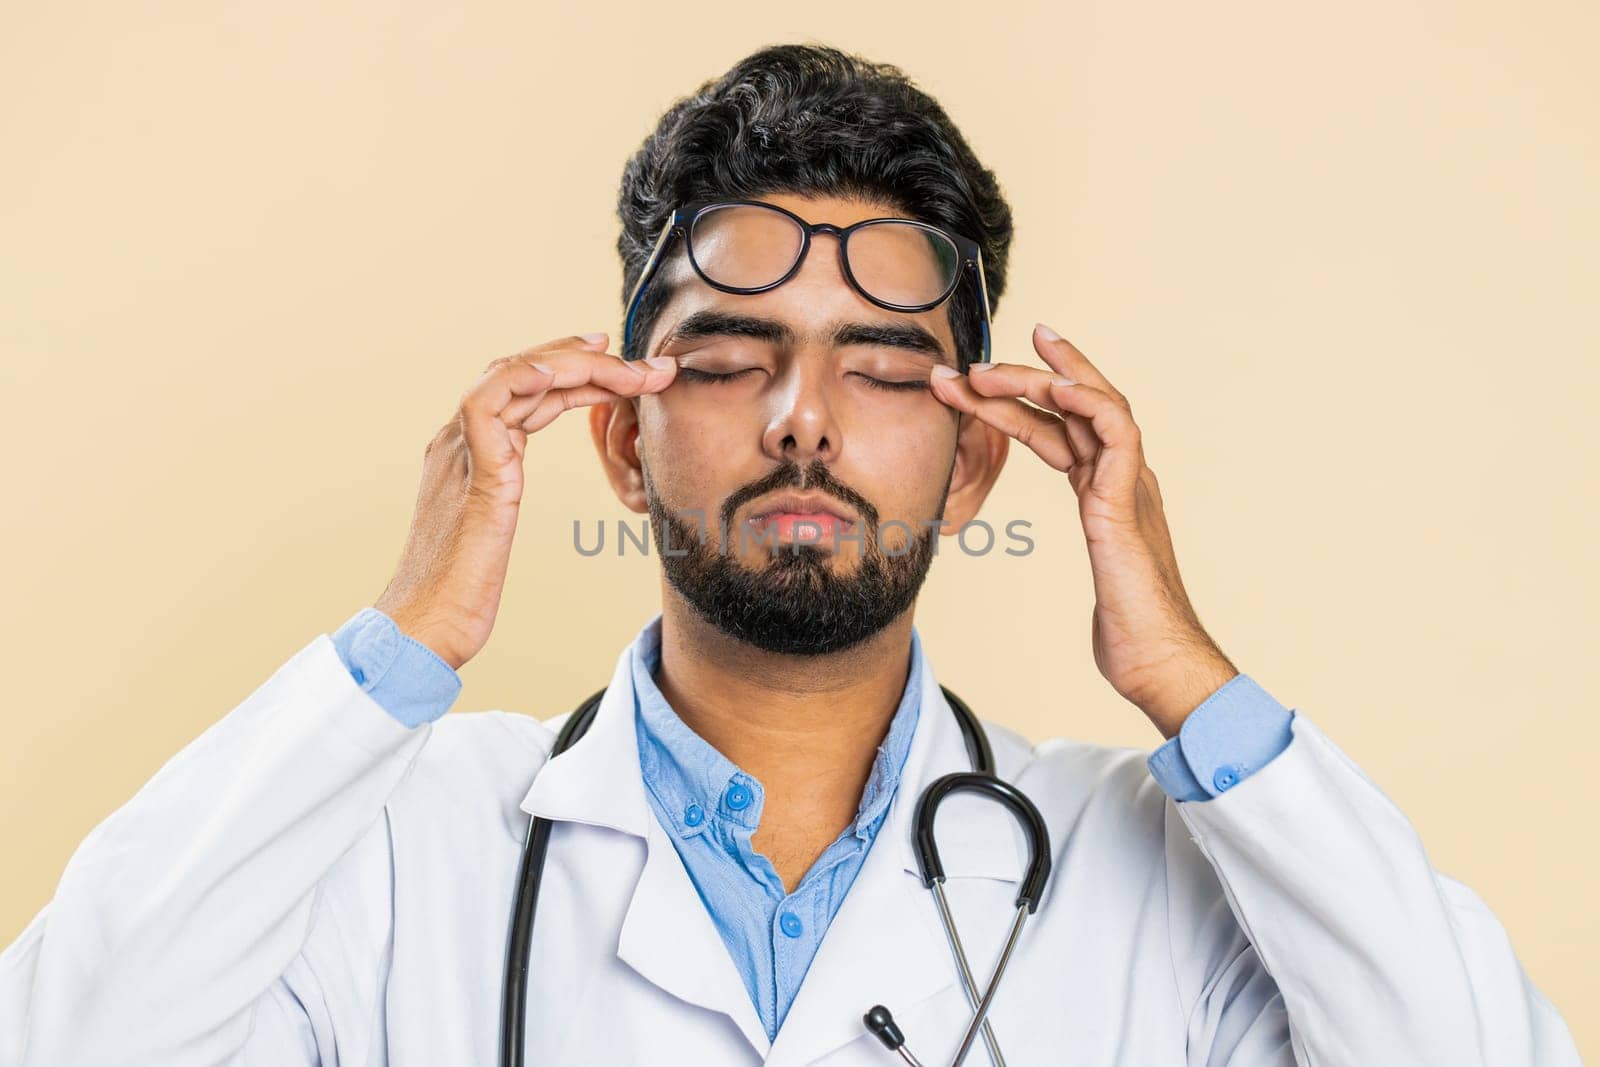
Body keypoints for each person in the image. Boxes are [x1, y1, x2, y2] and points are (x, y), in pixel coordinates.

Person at [0, 42, 1581, 1067]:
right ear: (620, 438)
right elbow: (73, 1042)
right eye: (728, 357)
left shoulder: (1137, 862)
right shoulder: (403, 847)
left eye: (886, 369)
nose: (805, 423)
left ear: (977, 461)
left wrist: (1188, 681)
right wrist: (404, 640)